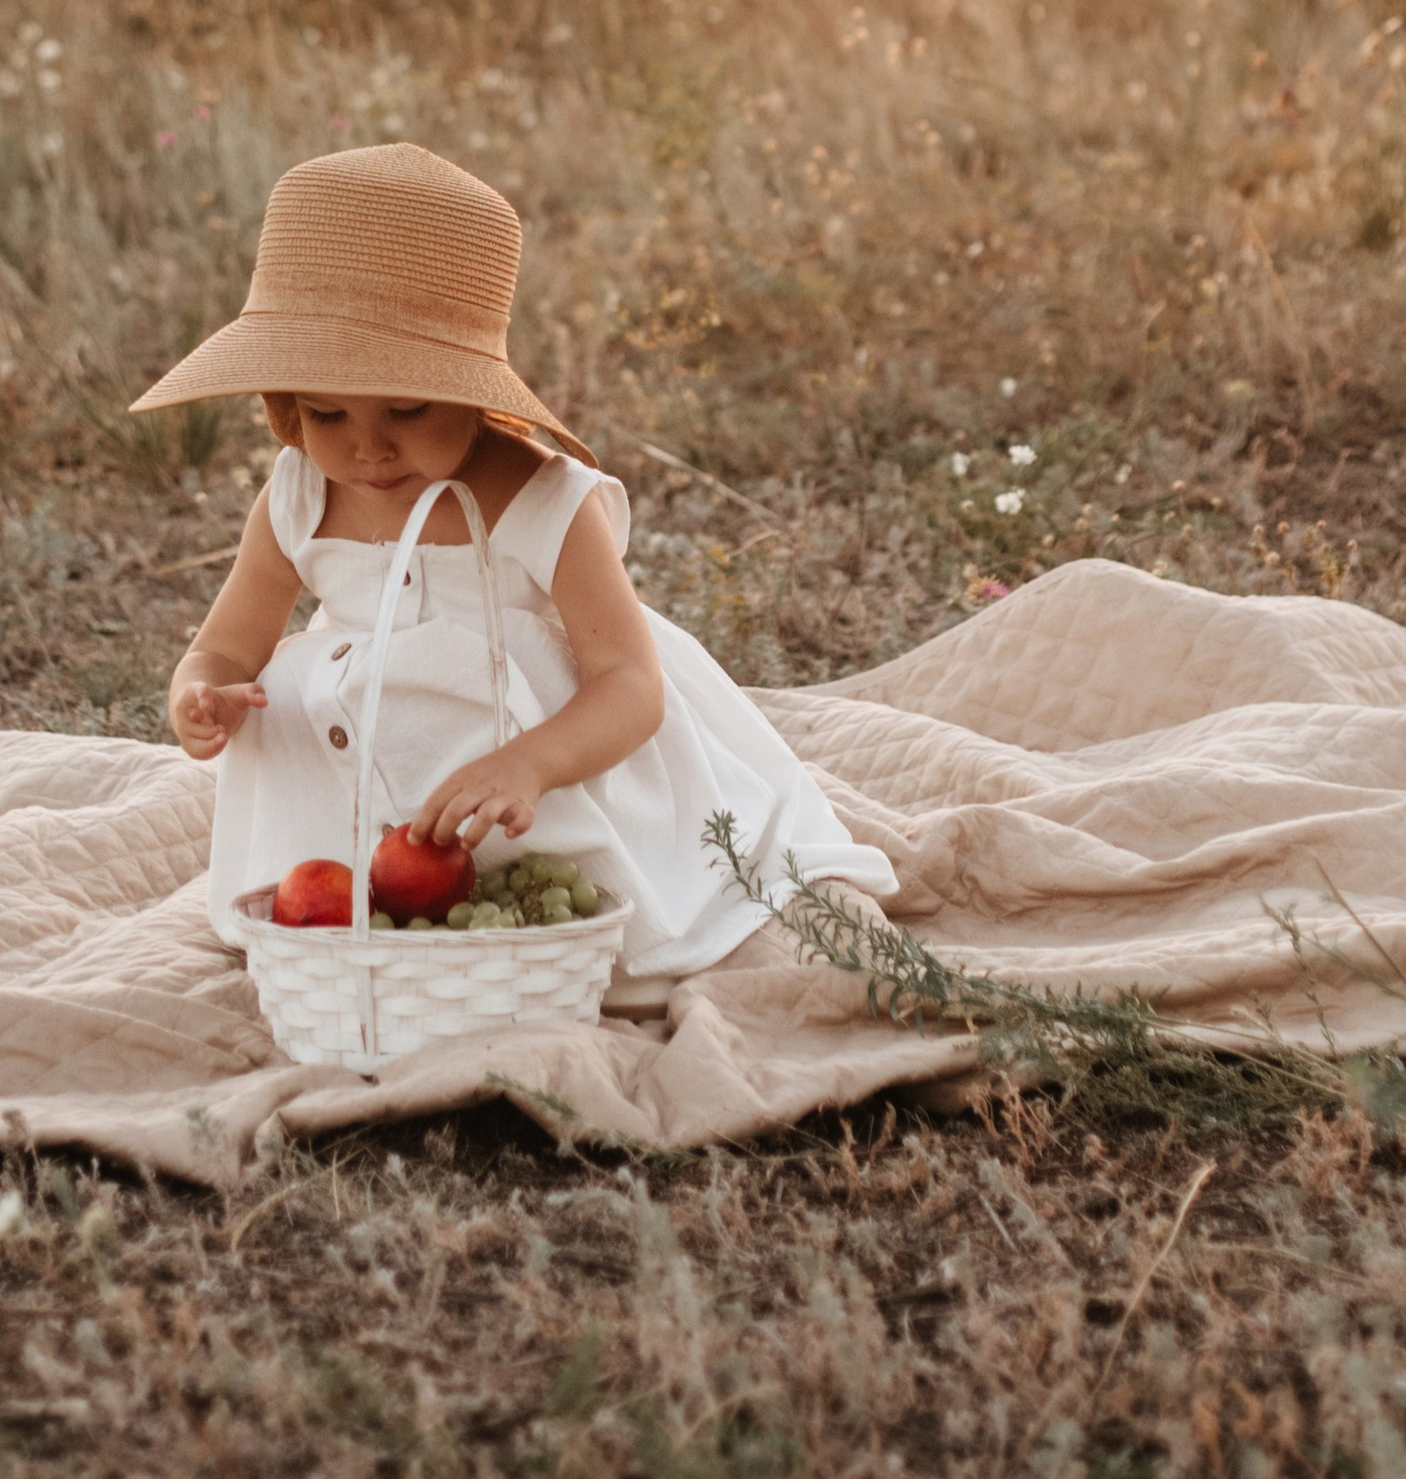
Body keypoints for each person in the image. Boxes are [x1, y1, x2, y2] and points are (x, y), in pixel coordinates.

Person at [138, 141, 896, 982]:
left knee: (609, 902)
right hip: (366, 787)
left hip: (543, 770)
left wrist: (526, 764)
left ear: (473, 392)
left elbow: (630, 685)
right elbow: (226, 646)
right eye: (324, 413)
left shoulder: (546, 503)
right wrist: (197, 695)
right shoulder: (299, 495)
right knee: (287, 692)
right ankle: (359, 910)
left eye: (408, 406)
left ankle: (547, 917)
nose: (367, 447)